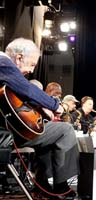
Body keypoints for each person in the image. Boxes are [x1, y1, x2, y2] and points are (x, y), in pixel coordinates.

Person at [0, 37, 79, 198]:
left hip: (7, 131)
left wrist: (40, 106)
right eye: (32, 64)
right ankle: (61, 188)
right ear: (19, 57)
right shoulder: (3, 62)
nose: (31, 70)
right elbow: (27, 89)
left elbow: (20, 93)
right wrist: (55, 105)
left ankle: (42, 186)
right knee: (65, 130)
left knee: (45, 134)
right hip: (5, 134)